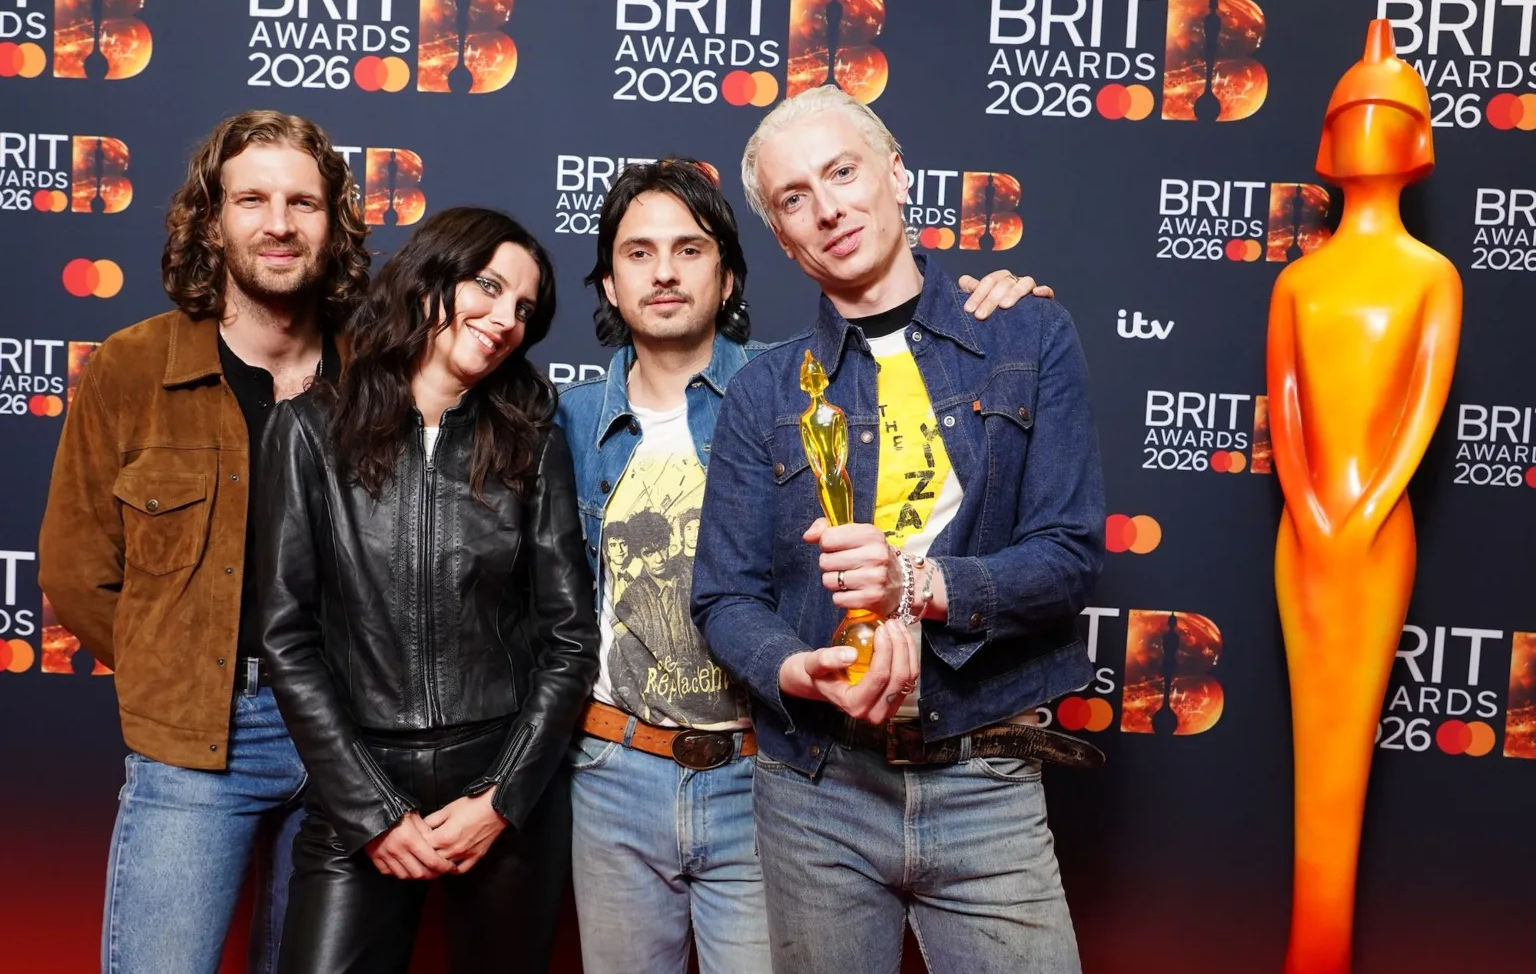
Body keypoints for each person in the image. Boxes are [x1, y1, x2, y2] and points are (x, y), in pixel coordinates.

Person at [556, 157, 1056, 974]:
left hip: (768, 763)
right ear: (609, 284)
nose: (665, 272)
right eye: (638, 253)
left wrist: (1000, 311)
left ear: (728, 276)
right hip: (617, 766)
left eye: (690, 249)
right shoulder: (571, 417)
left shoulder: (798, 388)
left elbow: (919, 363)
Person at [692, 86, 1106, 974]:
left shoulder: (1026, 335)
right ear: (783, 236)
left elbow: (1069, 555)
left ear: (896, 173)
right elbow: (724, 597)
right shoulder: (765, 392)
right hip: (817, 789)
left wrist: (918, 586)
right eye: (795, 197)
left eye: (842, 171)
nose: (828, 207)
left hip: (986, 776)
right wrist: (791, 669)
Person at [38, 110, 365, 974]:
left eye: (303, 202)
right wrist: (180, 665)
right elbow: (76, 567)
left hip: (351, 736)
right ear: (212, 220)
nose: (279, 223)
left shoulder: (378, 372)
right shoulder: (132, 366)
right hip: (197, 738)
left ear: (333, 223)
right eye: (251, 199)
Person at [253, 207, 599, 973]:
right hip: (361, 789)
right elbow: (286, 635)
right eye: (489, 286)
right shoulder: (308, 429)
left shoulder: (532, 439)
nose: (505, 318)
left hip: (502, 791)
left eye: (524, 308)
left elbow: (570, 642)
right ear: (427, 277)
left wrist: (501, 797)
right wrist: (371, 810)